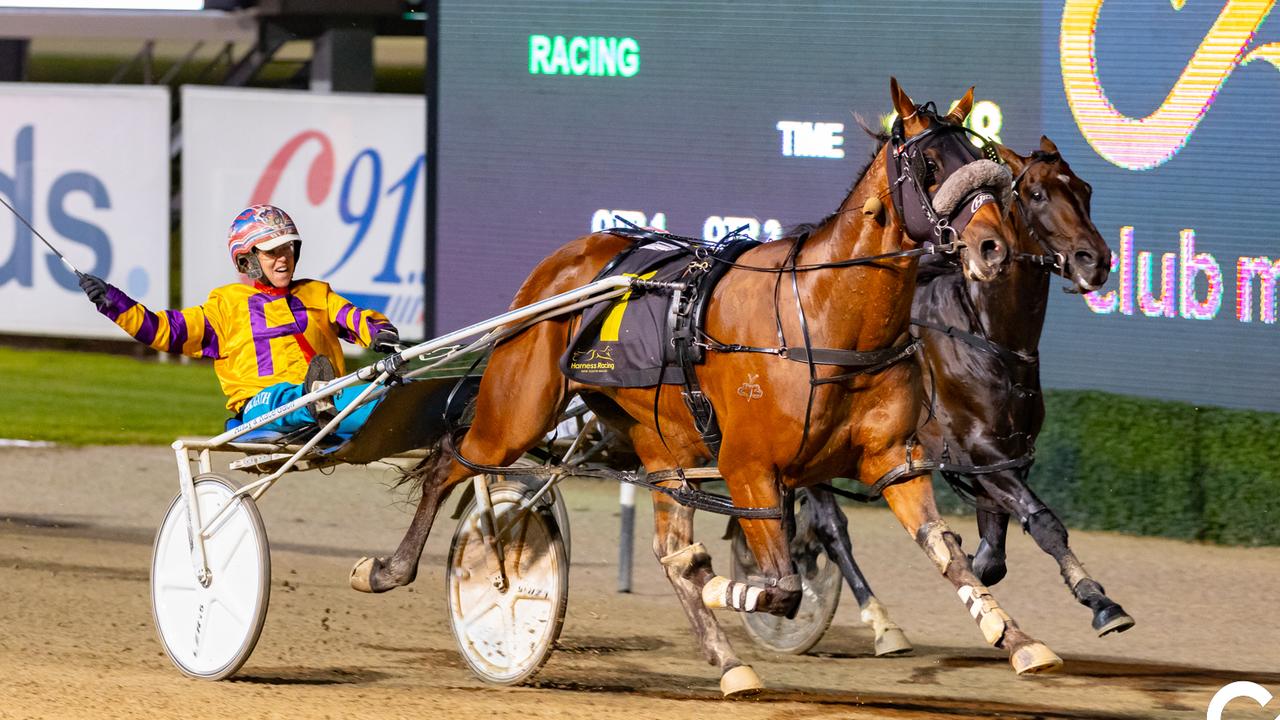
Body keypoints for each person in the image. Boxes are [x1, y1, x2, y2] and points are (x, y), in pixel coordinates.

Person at [78, 204, 401, 435]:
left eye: (288, 249)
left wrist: (380, 332)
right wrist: (114, 302)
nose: (284, 259)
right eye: (272, 252)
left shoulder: (317, 294)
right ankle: (314, 402)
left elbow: (356, 318)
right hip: (261, 408)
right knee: (289, 398)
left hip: (332, 397)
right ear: (247, 260)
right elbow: (163, 331)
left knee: (390, 396)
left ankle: (427, 407)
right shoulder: (226, 305)